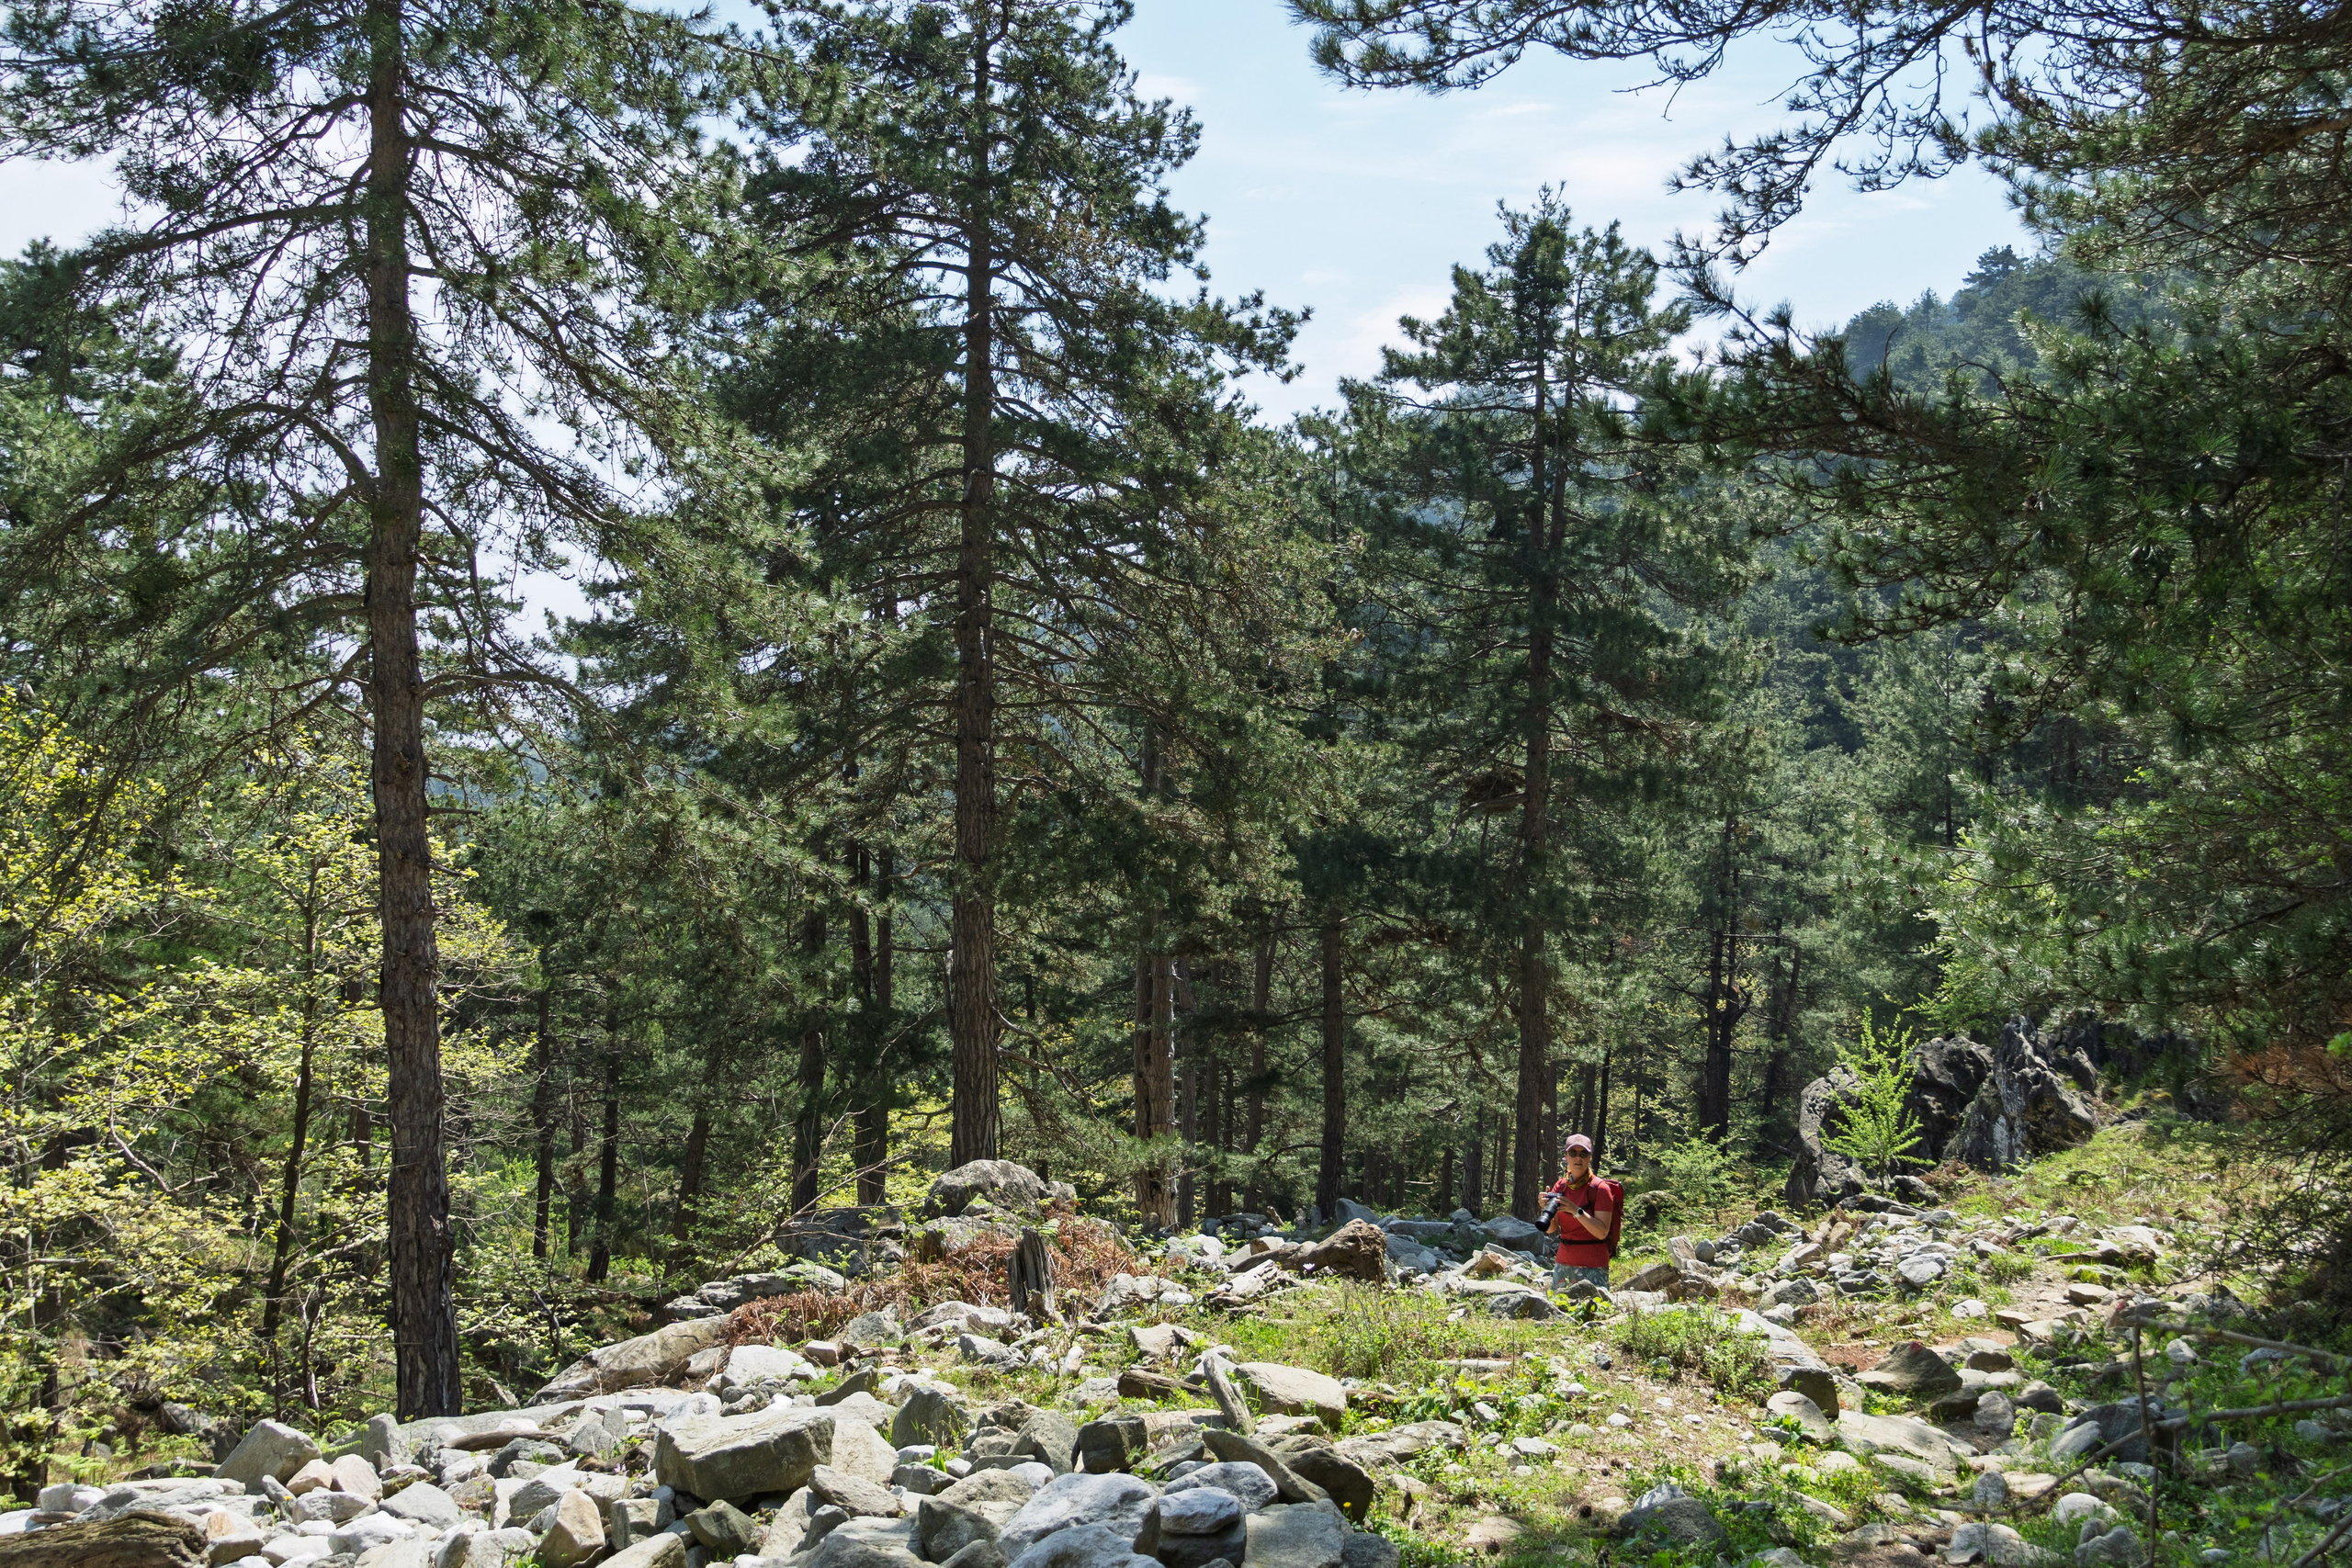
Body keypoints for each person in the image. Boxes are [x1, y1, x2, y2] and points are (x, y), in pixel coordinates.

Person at [1543, 1134, 1616, 1293]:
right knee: (1559, 1315)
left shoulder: (1600, 1189)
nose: (1578, 1158)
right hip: (1563, 1264)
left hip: (1593, 1266)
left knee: (1592, 1316)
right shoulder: (1561, 1186)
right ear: (1566, 1157)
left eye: (1583, 1154)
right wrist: (1544, 1207)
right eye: (1573, 1153)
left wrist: (1576, 1211)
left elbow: (1602, 1232)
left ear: (1590, 1157)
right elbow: (1551, 1229)